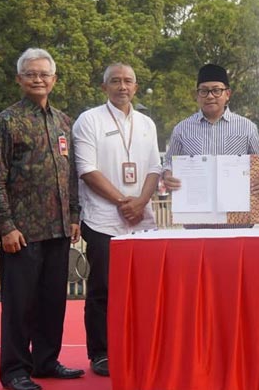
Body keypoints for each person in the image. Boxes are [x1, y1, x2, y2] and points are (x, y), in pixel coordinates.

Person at [0, 48, 84, 390]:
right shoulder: (7, 121)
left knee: (53, 301)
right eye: (31, 74)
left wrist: (73, 215)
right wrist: (6, 225)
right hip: (22, 233)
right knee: (19, 305)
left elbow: (69, 173)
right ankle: (14, 370)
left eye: (44, 74)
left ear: (54, 80)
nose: (38, 79)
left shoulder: (63, 121)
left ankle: (45, 360)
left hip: (58, 229)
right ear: (19, 79)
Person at [72, 63, 161, 377]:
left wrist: (140, 203)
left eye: (128, 81)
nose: (122, 87)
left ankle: (140, 344)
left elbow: (154, 169)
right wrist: (123, 201)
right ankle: (101, 352)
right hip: (103, 219)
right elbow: (87, 169)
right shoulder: (89, 120)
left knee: (143, 288)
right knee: (103, 288)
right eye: (115, 81)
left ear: (136, 87)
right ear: (104, 87)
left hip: (142, 220)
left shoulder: (147, 123)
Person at [162, 64, 259, 215]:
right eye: (204, 91)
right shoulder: (182, 130)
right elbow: (169, 162)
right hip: (196, 219)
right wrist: (167, 175)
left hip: (237, 220)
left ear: (227, 94)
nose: (209, 96)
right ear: (197, 95)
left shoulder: (247, 128)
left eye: (216, 90)